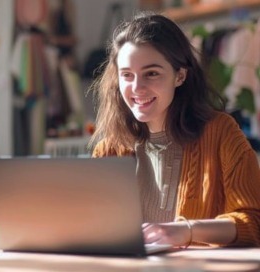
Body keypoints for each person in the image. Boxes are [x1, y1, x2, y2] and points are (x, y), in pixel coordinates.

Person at [89, 12, 260, 248]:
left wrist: (187, 231)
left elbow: (253, 222)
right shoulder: (108, 150)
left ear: (179, 76)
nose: (137, 88)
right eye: (127, 75)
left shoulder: (220, 133)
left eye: (152, 73)